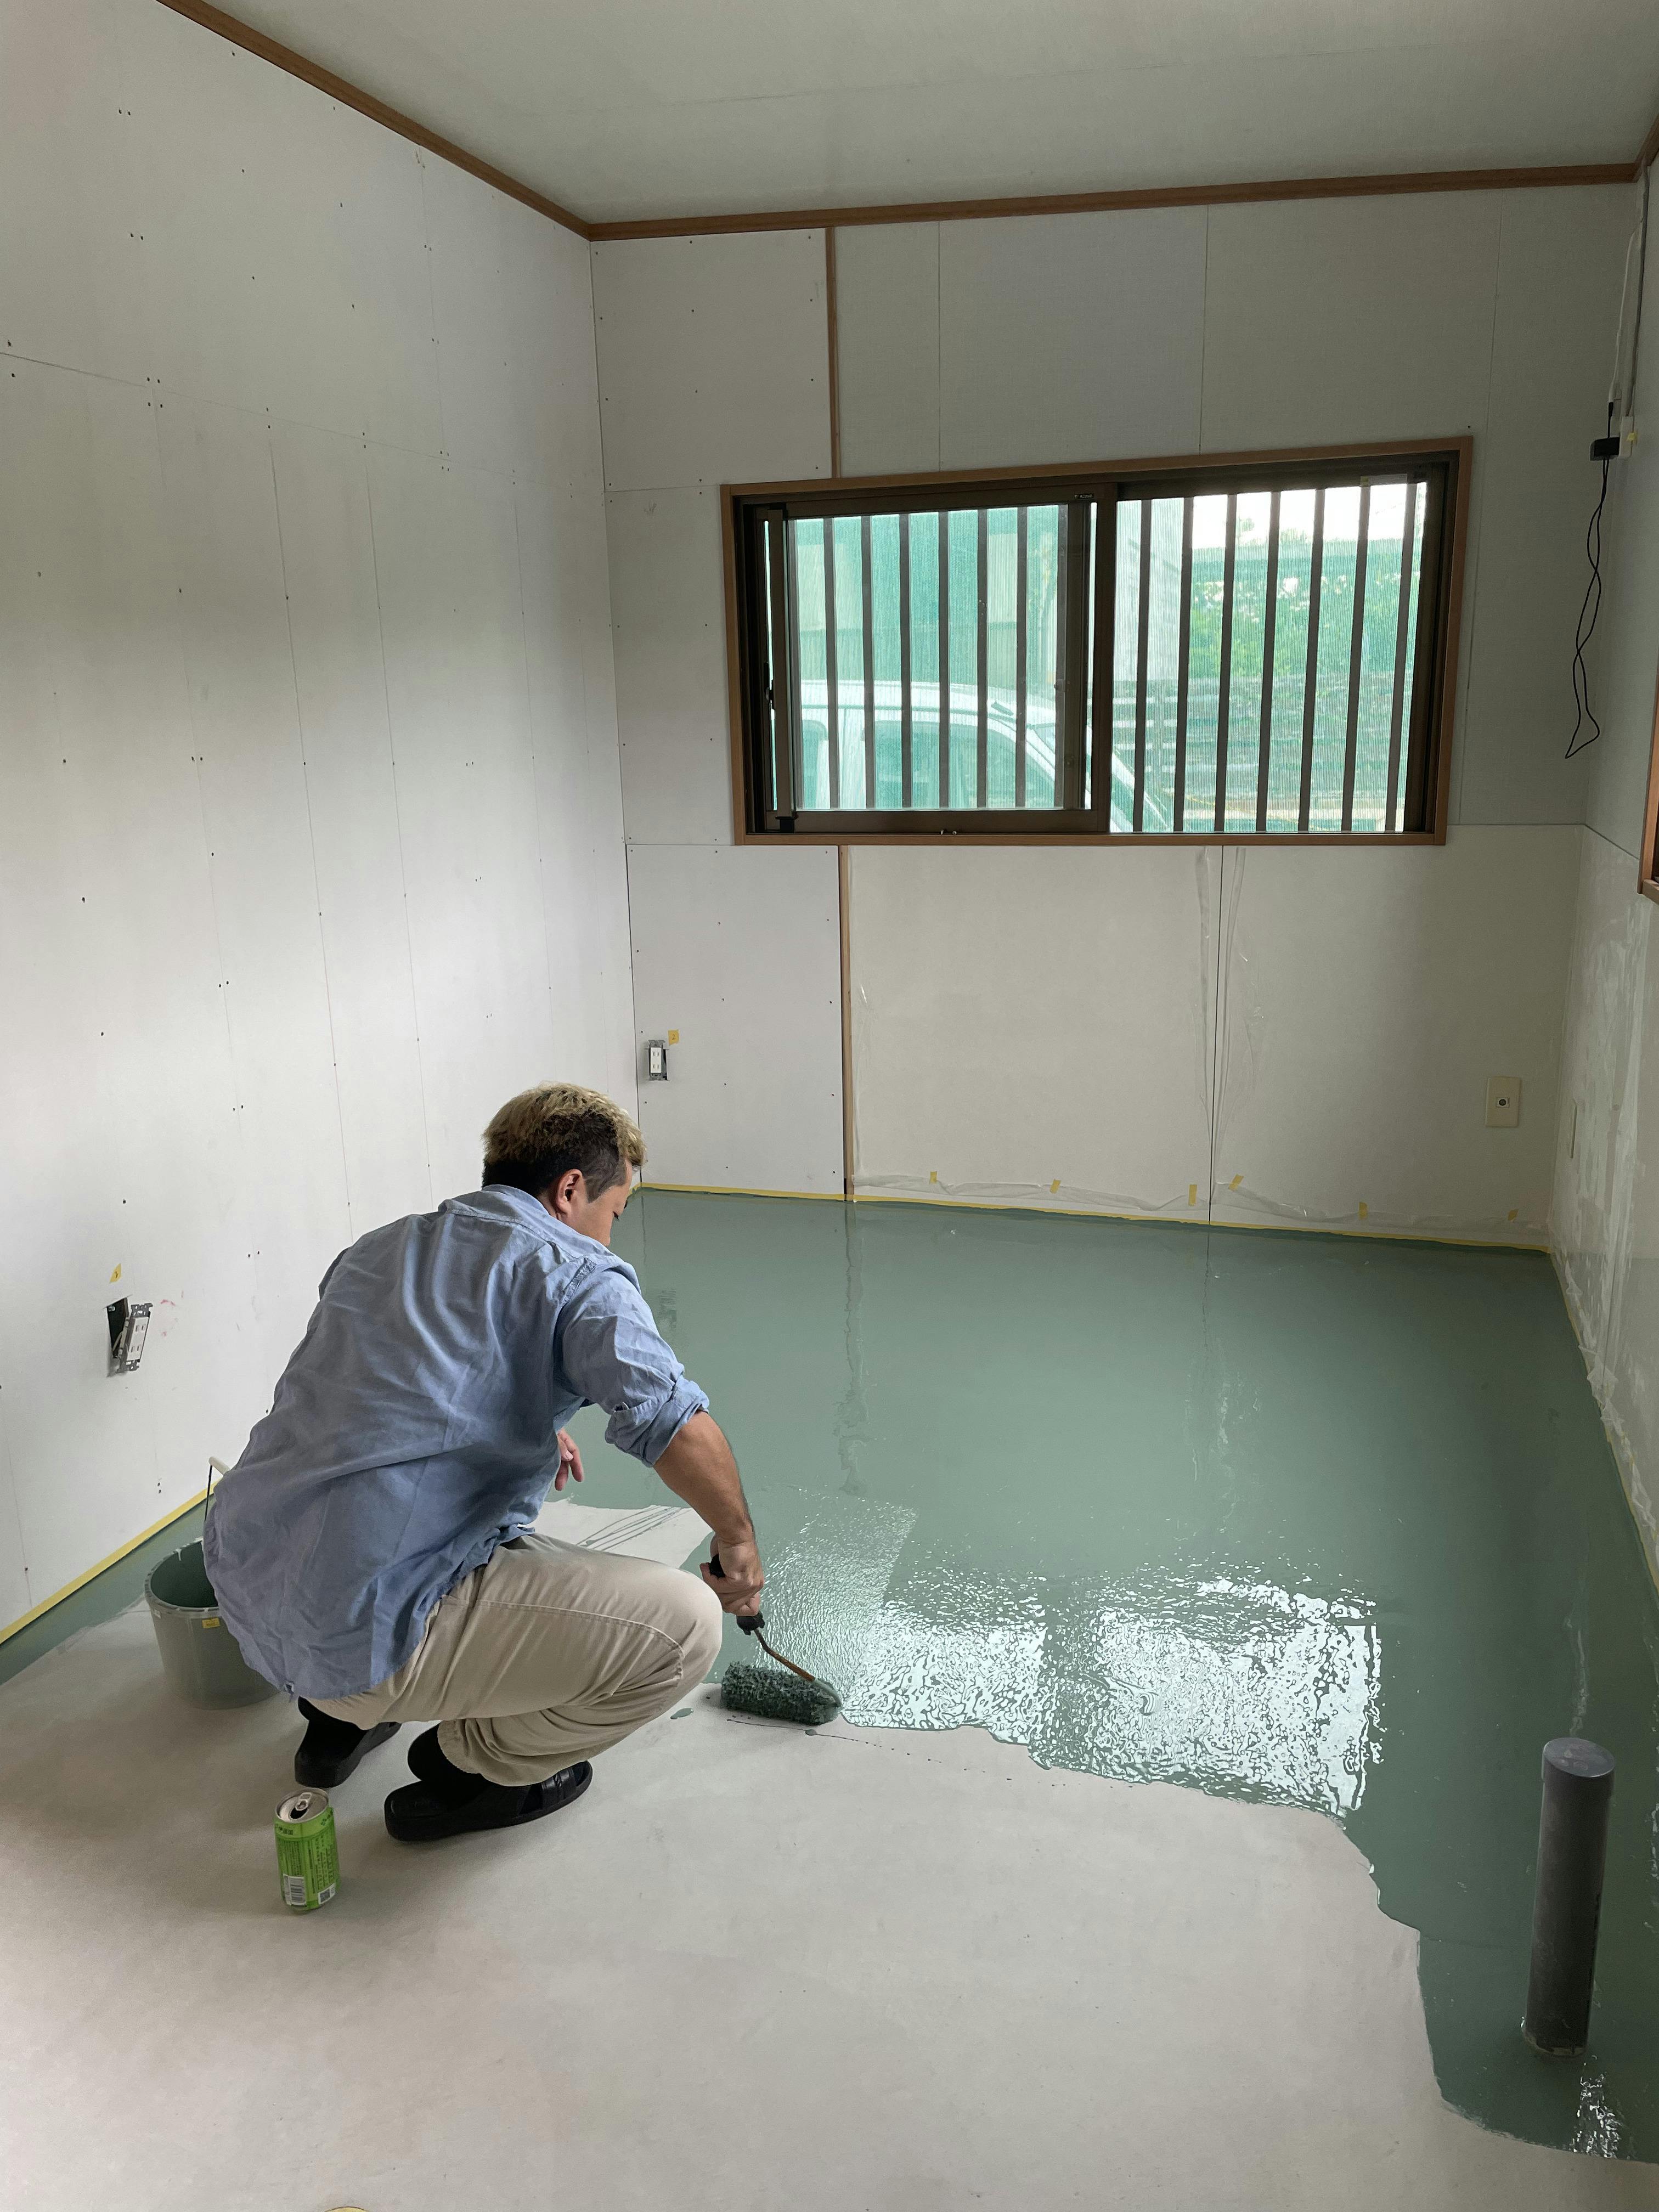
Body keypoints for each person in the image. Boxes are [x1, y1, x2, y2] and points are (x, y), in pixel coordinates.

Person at [203, 1082, 765, 1843]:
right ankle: (470, 1768)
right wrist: (738, 1540)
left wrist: (527, 1421)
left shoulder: (380, 1247)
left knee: (377, 1522)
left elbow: (372, 1391)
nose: (610, 1235)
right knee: (686, 1628)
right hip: (362, 1635)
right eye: (614, 1212)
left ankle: (333, 1722)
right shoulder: (578, 1272)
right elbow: (677, 1428)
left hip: (247, 1580)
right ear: (570, 1190)